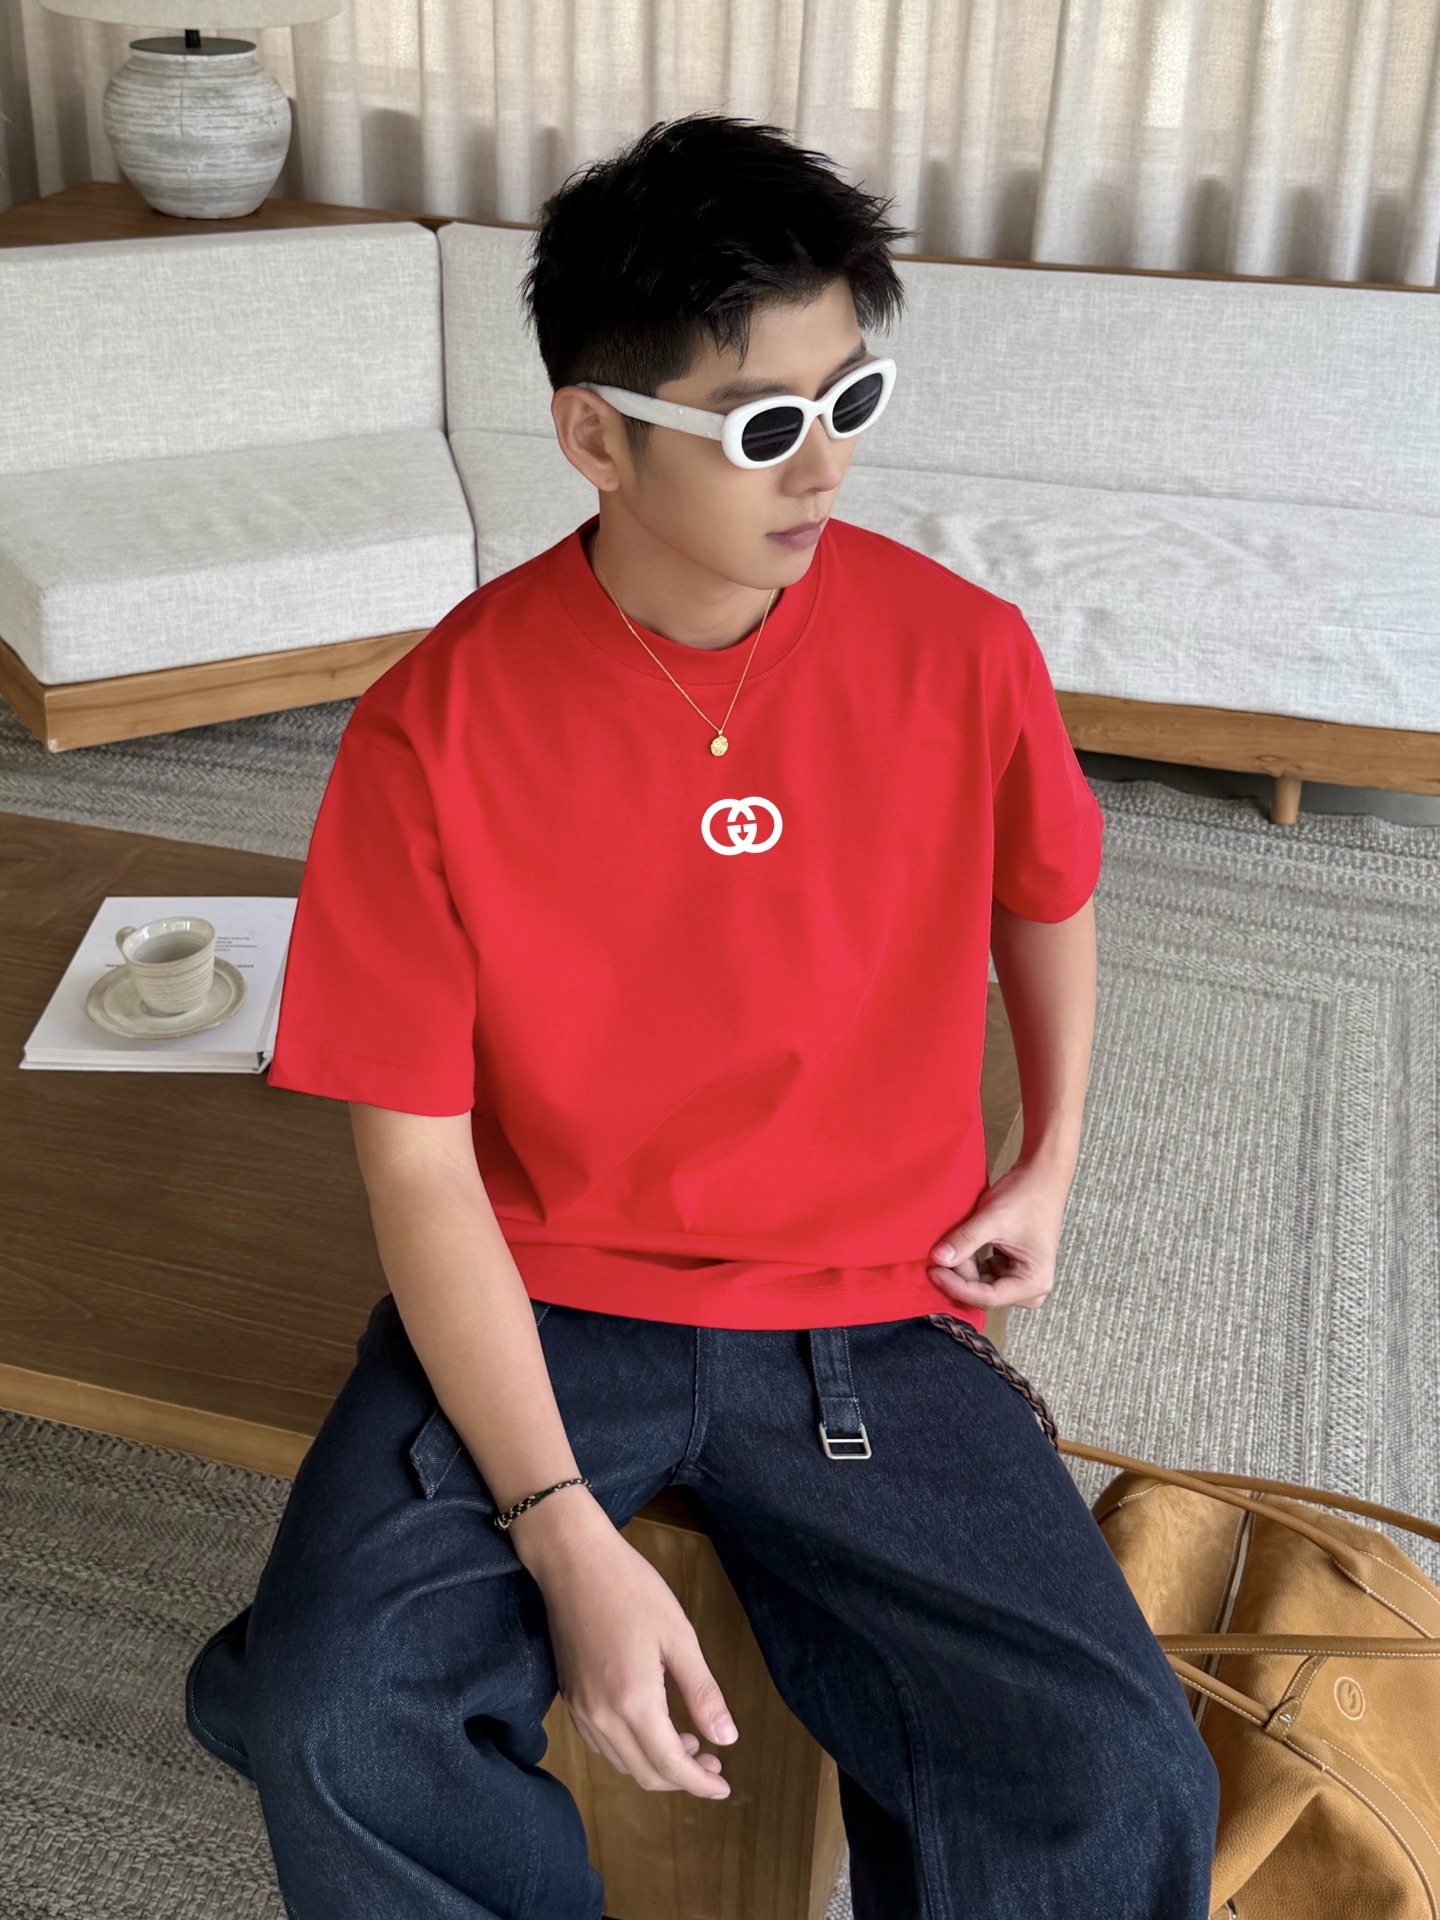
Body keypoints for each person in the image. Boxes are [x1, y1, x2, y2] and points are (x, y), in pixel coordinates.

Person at [183, 113, 1219, 1919]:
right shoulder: (432, 731)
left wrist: (1048, 1157)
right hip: (549, 1298)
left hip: (871, 1308)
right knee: (337, 1720)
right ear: (594, 435)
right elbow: (420, 1172)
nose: (821, 467)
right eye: (758, 425)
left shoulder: (964, 649)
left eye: (850, 399)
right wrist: (560, 1532)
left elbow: (1046, 890)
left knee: (1116, 1776)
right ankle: (304, 1653)